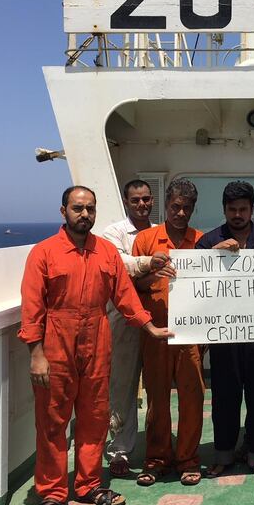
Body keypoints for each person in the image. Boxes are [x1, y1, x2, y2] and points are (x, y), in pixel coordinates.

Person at [20, 186, 172, 505]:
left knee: (95, 417)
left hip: (97, 339)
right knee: (52, 422)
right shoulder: (43, 253)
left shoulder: (105, 252)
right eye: (77, 208)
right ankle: (52, 494)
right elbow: (32, 308)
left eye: (90, 208)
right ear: (63, 212)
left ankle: (88, 485)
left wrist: (149, 327)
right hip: (56, 342)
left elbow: (124, 296)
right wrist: (36, 354)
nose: (84, 214)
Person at [198, 181, 254, 483]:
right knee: (224, 396)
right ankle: (223, 454)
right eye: (231, 209)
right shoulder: (209, 242)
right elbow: (195, 286)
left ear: (251, 209)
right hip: (223, 334)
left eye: (243, 209)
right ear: (224, 210)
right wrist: (213, 256)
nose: (237, 214)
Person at [132, 179, 205, 487]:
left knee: (193, 397)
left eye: (186, 207)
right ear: (166, 205)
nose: (180, 212)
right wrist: (152, 276)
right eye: (175, 206)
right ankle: (157, 458)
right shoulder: (146, 239)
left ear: (193, 208)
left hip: (191, 336)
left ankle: (188, 459)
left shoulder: (201, 241)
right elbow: (130, 287)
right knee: (158, 398)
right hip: (156, 333)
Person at [101, 179, 158, 478]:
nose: (142, 204)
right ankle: (119, 450)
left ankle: (160, 447)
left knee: (160, 385)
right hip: (123, 320)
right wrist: (151, 263)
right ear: (126, 201)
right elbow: (117, 264)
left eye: (146, 199)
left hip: (158, 317)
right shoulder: (114, 233)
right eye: (136, 200)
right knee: (122, 385)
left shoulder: (160, 231)